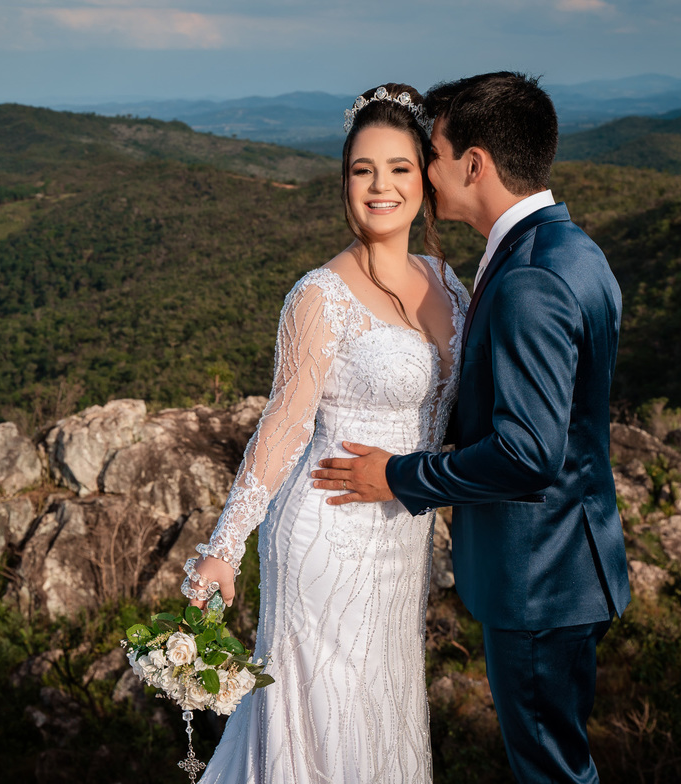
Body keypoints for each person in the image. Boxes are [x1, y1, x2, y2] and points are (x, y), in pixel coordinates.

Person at [312, 72, 631, 784]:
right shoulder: (573, 250)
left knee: (550, 772)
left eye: (433, 154)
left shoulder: (529, 277)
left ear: (474, 164)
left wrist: (398, 475)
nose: (425, 172)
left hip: (540, 576)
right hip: (573, 562)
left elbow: (528, 455)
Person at [180, 83, 469, 783]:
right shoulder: (318, 294)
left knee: (383, 716)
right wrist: (224, 549)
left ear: (424, 180)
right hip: (327, 535)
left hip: (402, 542)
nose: (380, 186)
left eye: (398, 168)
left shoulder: (447, 280)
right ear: (345, 181)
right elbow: (283, 423)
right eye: (363, 169)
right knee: (326, 725)